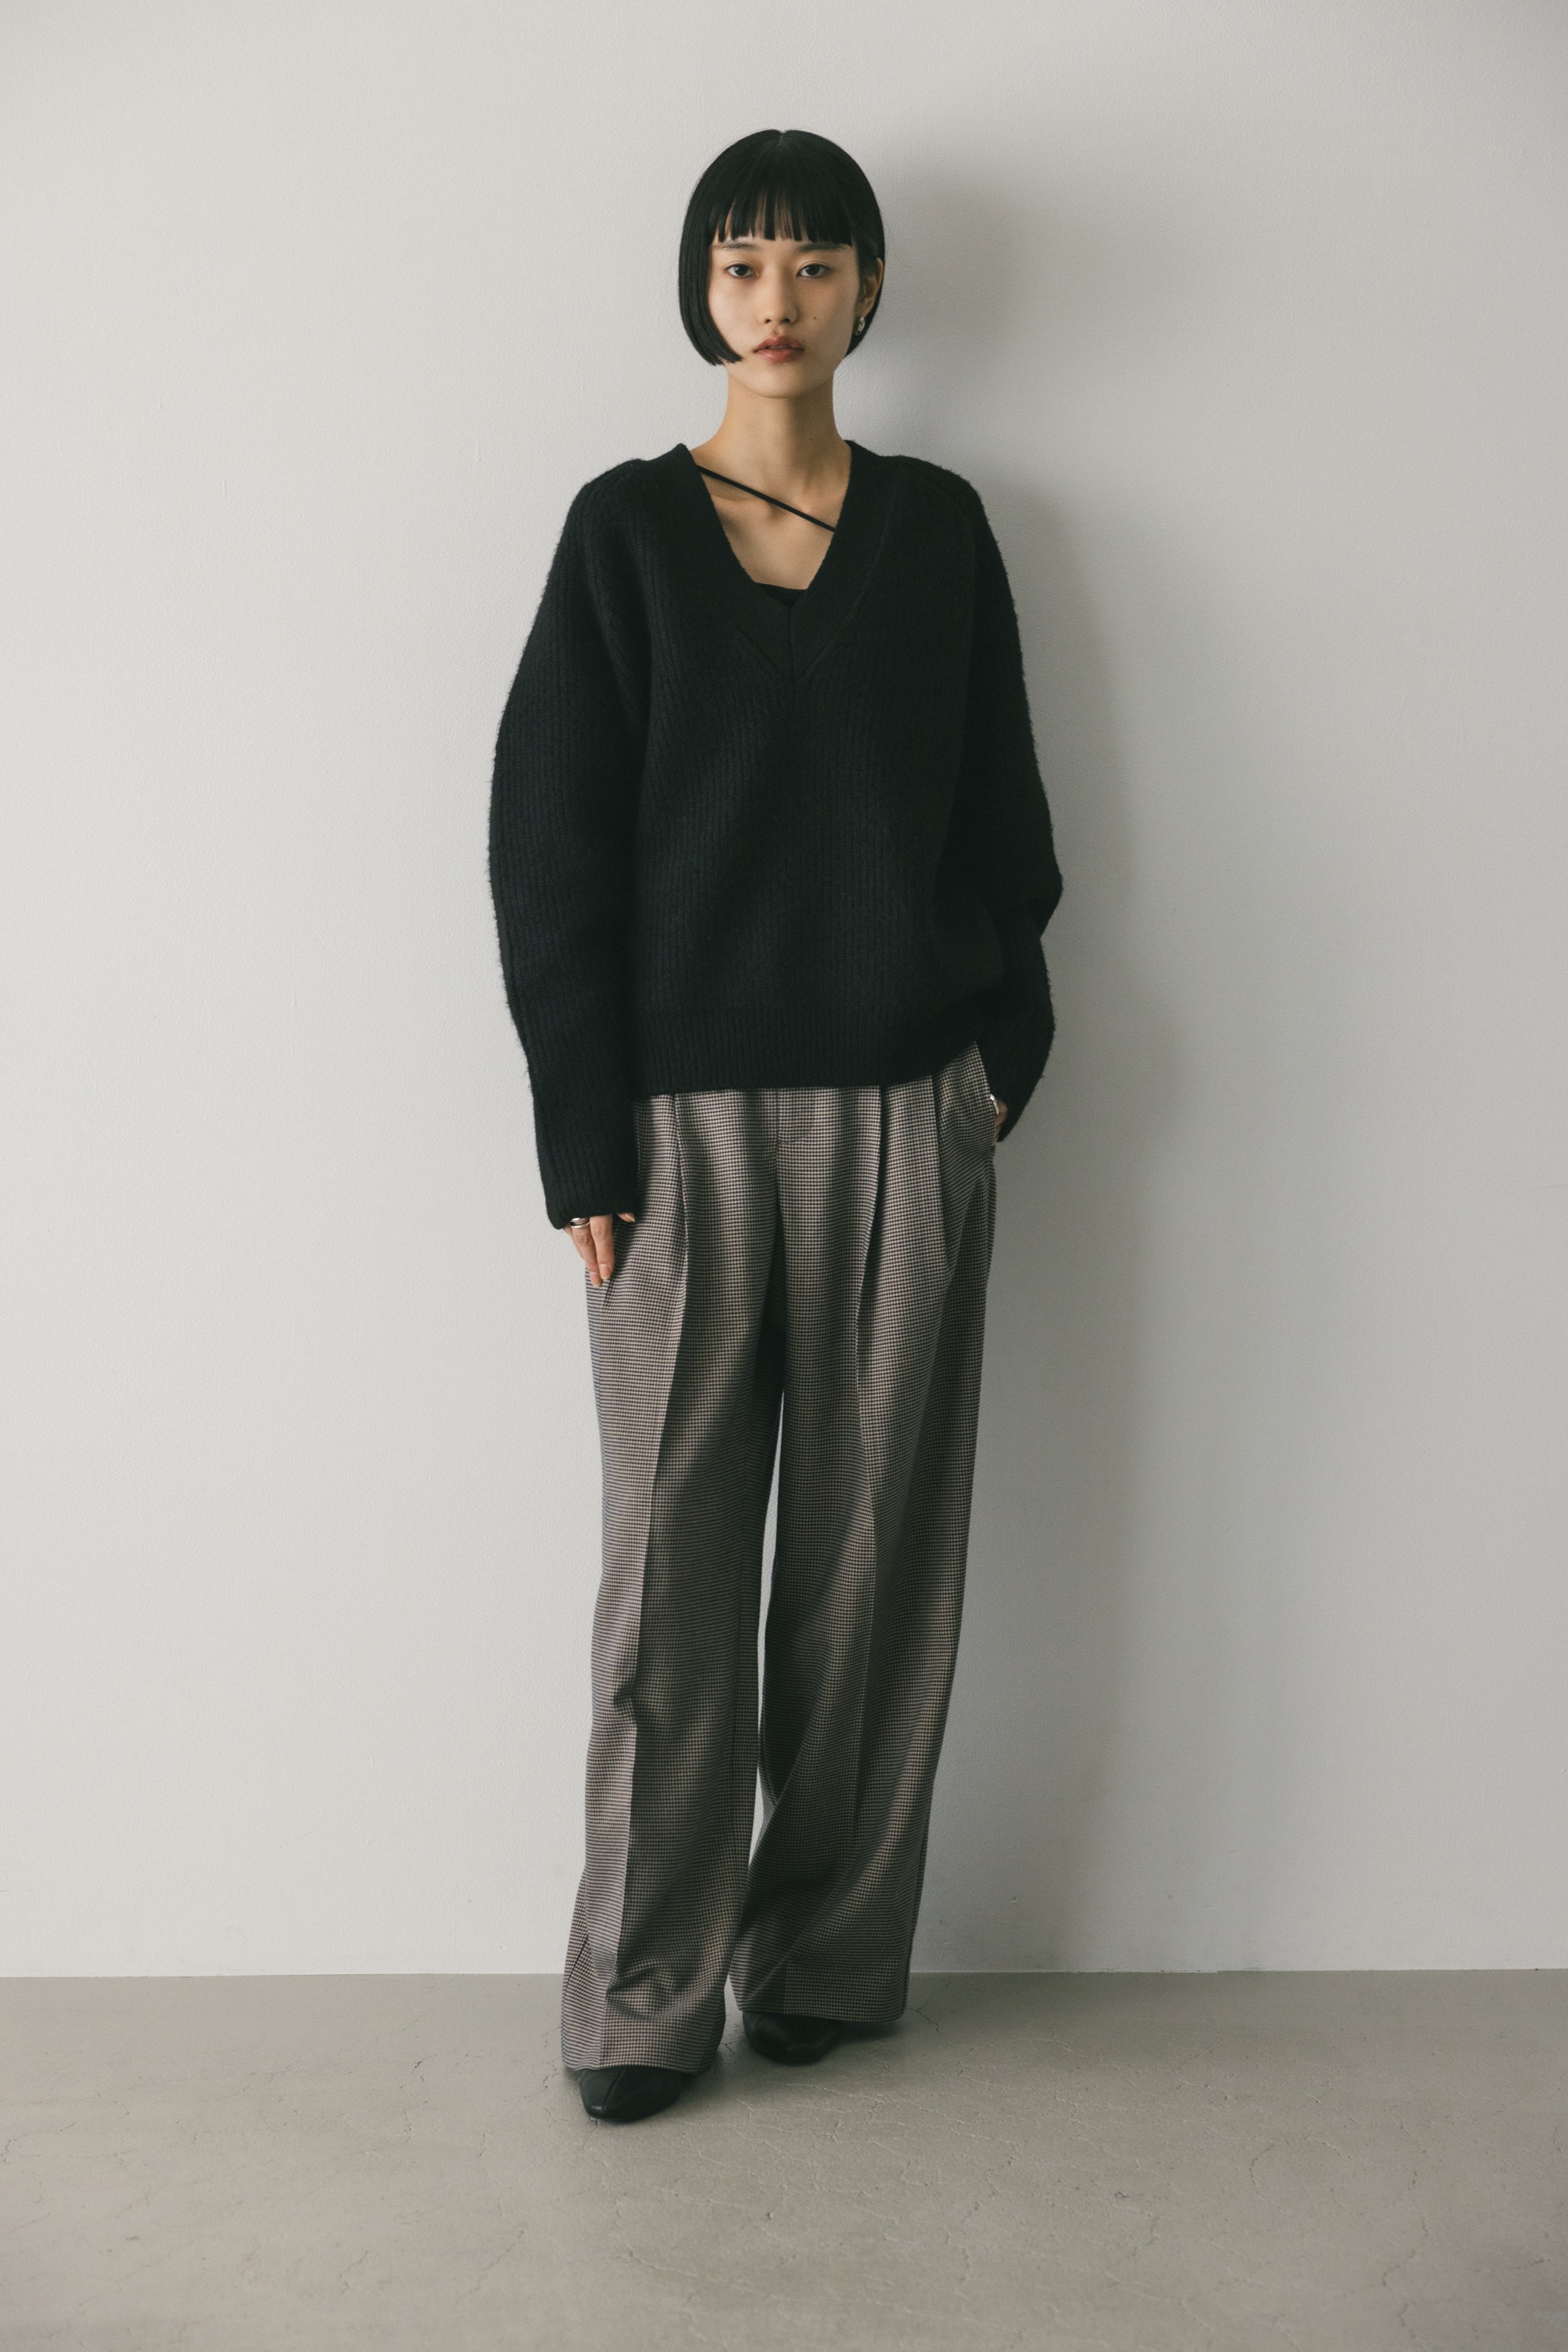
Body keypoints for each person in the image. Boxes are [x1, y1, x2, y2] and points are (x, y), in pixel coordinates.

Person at [488, 127, 1062, 2124]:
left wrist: (999, 1058)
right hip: (677, 1135)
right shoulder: (623, 535)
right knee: (667, 1585)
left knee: (872, 1573)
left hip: (909, 1108)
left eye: (816, 263)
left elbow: (1005, 818)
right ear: (701, 289)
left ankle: (820, 1959)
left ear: (870, 290)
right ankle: (643, 1995)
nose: (778, 299)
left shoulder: (942, 532)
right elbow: (550, 851)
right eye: (743, 262)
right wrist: (582, 1137)